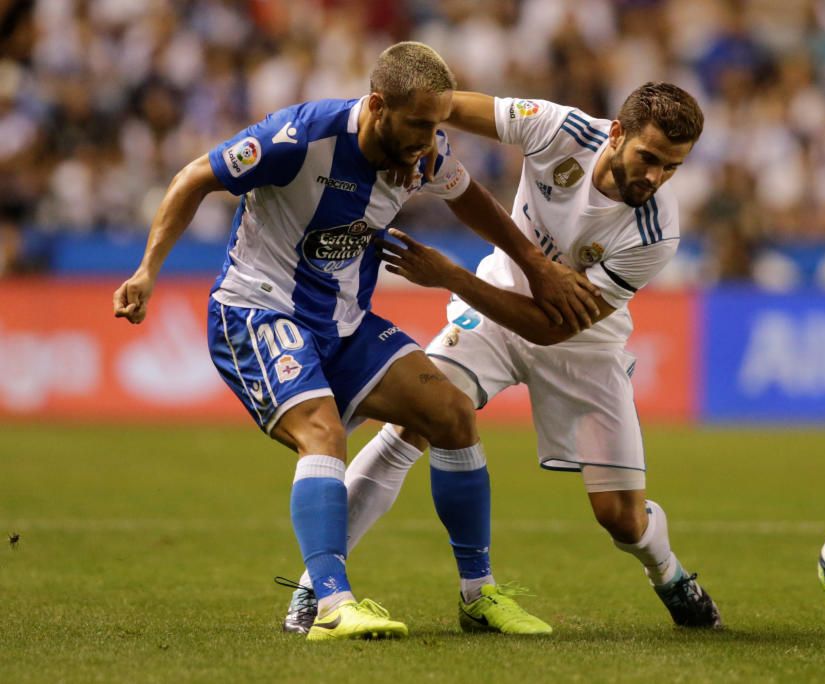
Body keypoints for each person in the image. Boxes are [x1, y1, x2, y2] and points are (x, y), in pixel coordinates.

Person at [113, 42, 598, 641]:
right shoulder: (296, 138)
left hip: (344, 320)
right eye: (418, 123)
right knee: (323, 432)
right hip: (260, 309)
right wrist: (146, 271)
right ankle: (329, 605)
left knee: (450, 414)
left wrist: (533, 261)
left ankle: (479, 596)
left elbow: (470, 196)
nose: (430, 138)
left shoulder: (421, 151)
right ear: (377, 106)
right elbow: (193, 179)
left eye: (437, 123)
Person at [283, 82, 723, 632]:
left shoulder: (656, 232)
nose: (655, 177)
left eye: (672, 168)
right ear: (617, 133)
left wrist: (450, 277)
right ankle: (315, 591)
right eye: (649, 158)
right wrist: (399, 142)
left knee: (622, 520)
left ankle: (669, 573)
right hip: (490, 316)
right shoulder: (558, 128)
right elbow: (443, 103)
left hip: (582, 345)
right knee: (411, 427)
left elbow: (550, 327)